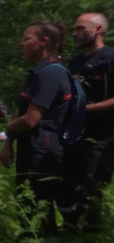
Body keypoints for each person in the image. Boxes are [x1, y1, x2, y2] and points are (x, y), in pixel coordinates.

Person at [0, 20, 71, 239]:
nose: (22, 44)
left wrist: (7, 128)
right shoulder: (40, 72)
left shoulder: (51, 73)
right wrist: (8, 143)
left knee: (36, 209)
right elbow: (21, 111)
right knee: (30, 206)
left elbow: (30, 120)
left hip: (43, 150)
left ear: (44, 42)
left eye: (27, 39)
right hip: (31, 147)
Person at [61, 13, 114, 232]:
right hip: (74, 132)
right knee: (68, 181)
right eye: (74, 29)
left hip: (103, 134)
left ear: (99, 29)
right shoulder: (76, 62)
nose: (75, 33)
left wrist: (85, 109)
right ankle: (69, 228)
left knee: (92, 183)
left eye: (80, 28)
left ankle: (95, 229)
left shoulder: (110, 57)